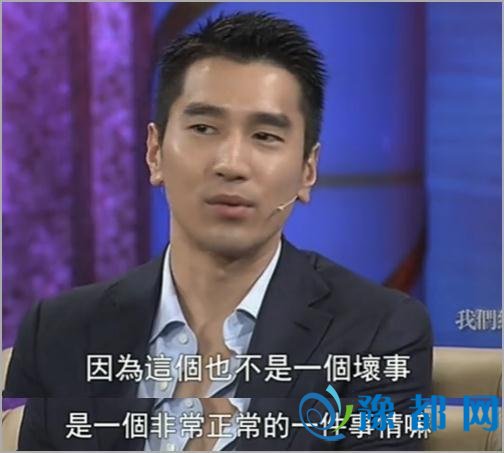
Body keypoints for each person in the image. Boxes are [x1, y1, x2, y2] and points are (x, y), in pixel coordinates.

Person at [4, 11, 432, 451]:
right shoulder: (62, 329)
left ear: (308, 170)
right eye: (204, 128)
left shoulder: (377, 333)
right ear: (154, 152)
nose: (230, 164)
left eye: (265, 136)